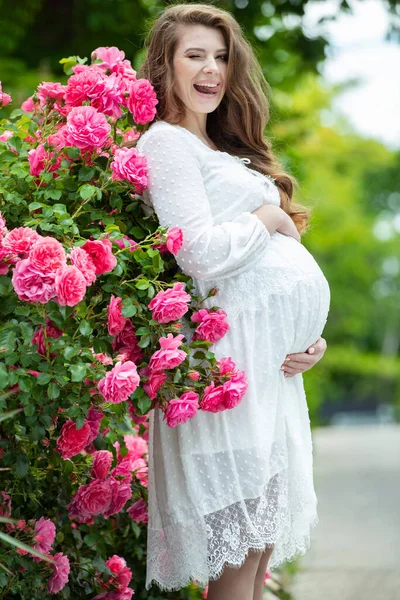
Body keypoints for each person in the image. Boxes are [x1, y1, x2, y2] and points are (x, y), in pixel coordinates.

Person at [134, 4, 330, 599]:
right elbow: (197, 253)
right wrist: (268, 215)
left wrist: (308, 339)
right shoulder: (166, 143)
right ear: (164, 65)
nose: (211, 70)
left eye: (220, 57)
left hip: (269, 372)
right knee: (235, 565)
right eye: (195, 55)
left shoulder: (217, 148)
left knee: (256, 556)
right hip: (227, 369)